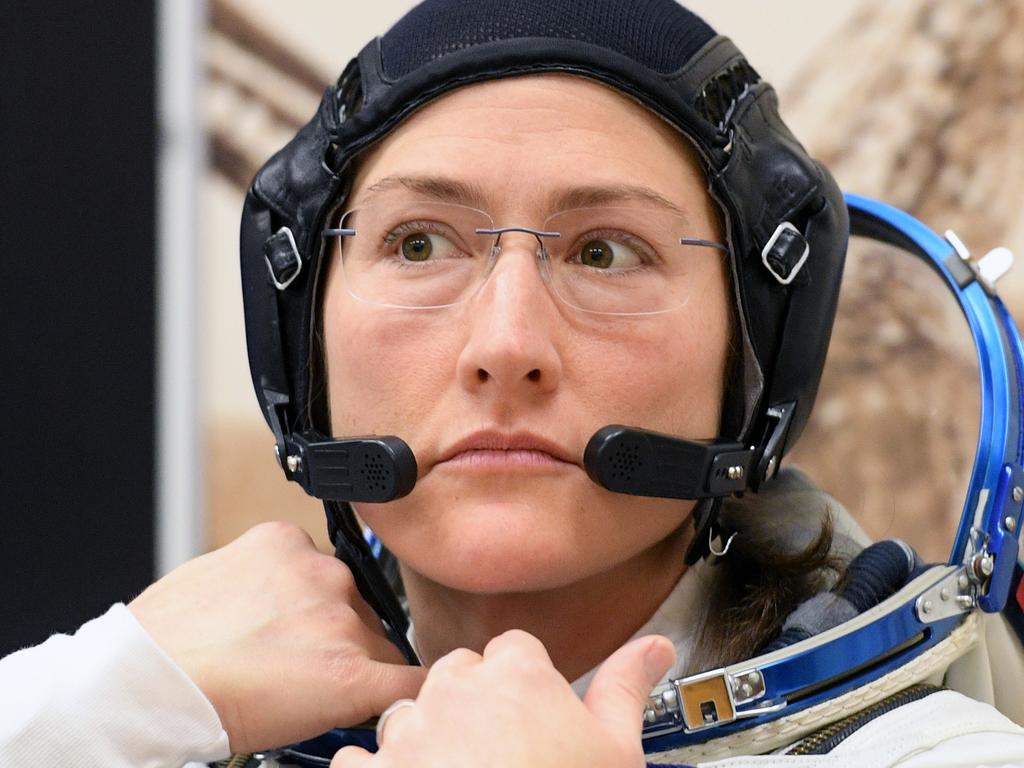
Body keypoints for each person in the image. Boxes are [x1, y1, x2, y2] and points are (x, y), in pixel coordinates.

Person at [3, 1, 1023, 766]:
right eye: (416, 242)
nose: (505, 342)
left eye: (605, 253)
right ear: (301, 338)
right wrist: (106, 701)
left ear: (752, 363)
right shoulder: (142, 719)